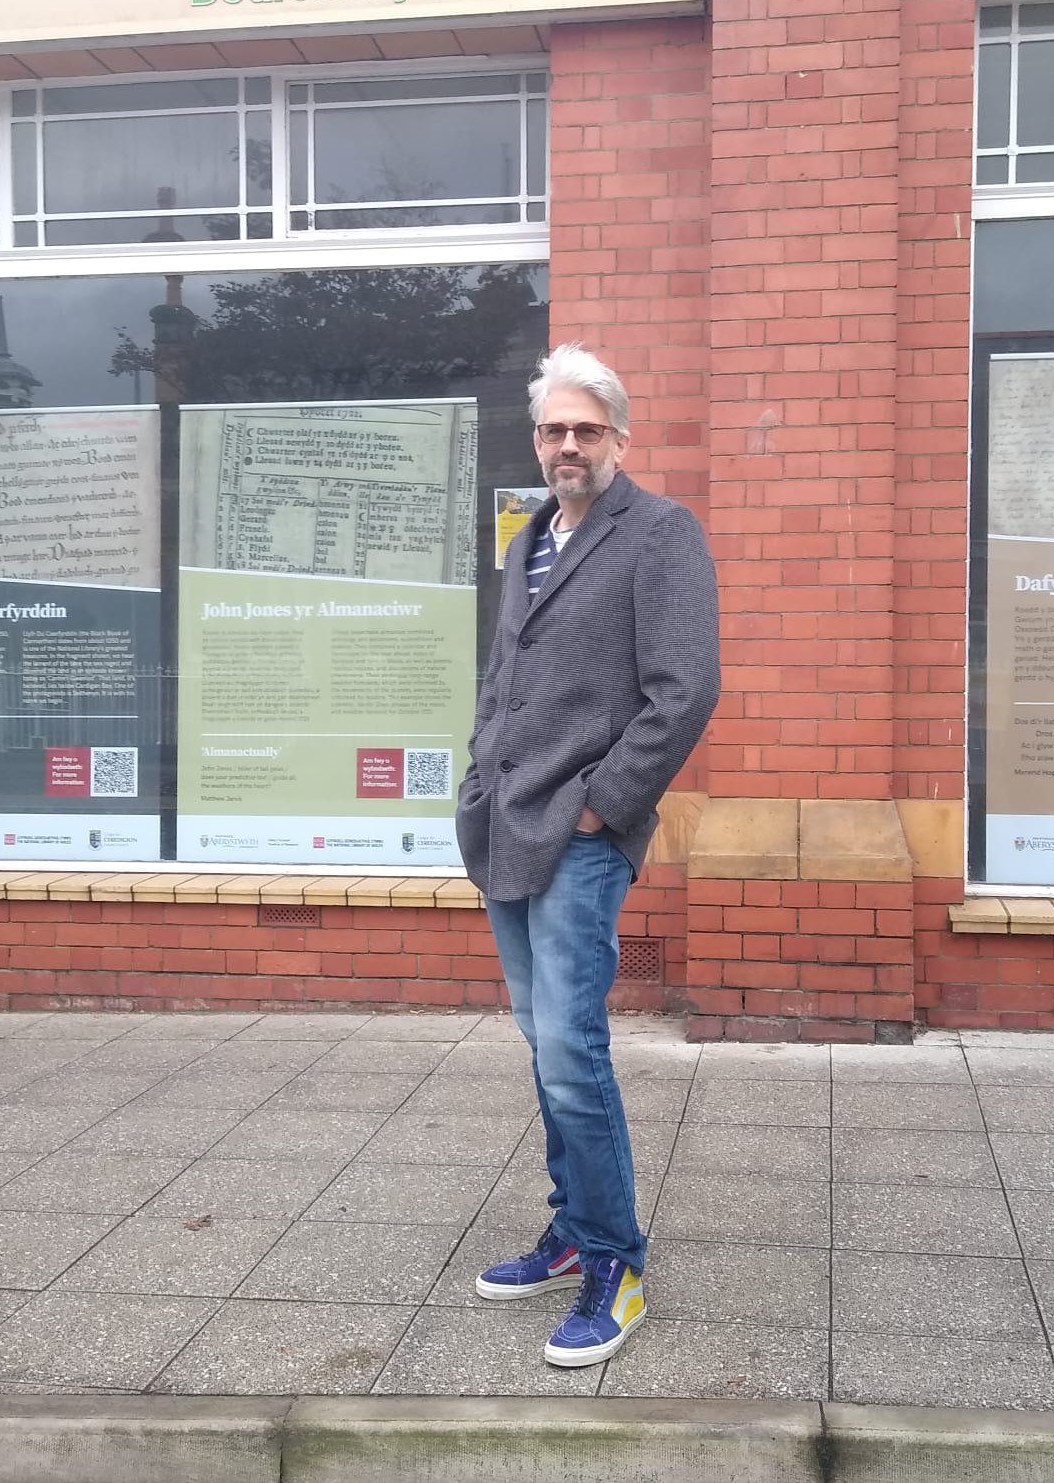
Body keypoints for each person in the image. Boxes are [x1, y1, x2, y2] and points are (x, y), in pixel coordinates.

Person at [456, 345, 720, 1367]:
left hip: (578, 837)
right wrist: (480, 779)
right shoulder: (530, 536)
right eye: (553, 430)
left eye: (586, 429)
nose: (568, 444)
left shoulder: (659, 534)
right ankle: (571, 1229)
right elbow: (503, 676)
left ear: (618, 435)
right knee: (541, 1040)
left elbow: (685, 689)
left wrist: (600, 808)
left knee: (572, 1049)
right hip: (504, 827)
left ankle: (618, 1261)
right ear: (537, 441)